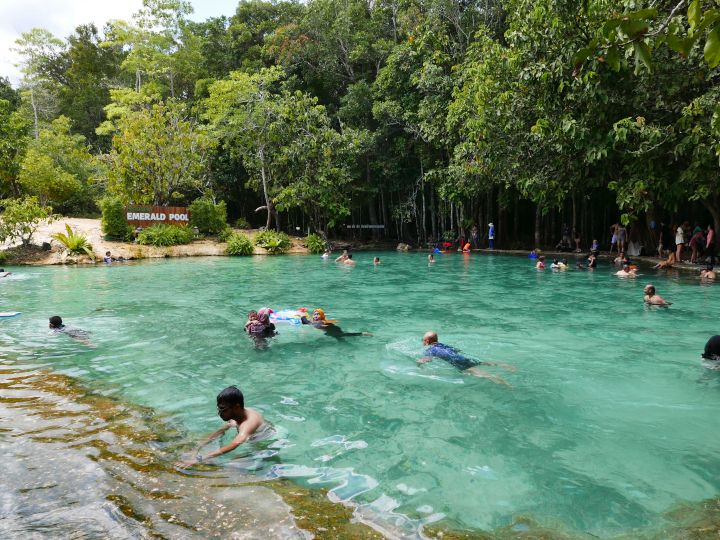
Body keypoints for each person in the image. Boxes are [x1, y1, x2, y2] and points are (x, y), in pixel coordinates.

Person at [175, 386, 271, 469]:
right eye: (218, 408)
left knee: (233, 465)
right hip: (251, 437)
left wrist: (199, 459)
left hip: (263, 443)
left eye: (223, 409)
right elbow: (220, 431)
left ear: (236, 407)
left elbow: (234, 444)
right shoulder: (236, 417)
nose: (219, 413)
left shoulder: (248, 424)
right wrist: (196, 448)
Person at [418, 332, 515, 386]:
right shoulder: (443, 345)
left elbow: (427, 359)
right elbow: (456, 350)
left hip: (457, 362)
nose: (422, 341)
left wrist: (418, 364)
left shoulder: (431, 350)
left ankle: (503, 382)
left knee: (482, 374)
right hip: (462, 357)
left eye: (423, 339)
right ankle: (502, 365)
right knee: (481, 363)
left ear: (427, 341)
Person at [301, 308, 372, 339]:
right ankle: (362, 334)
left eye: (318, 314)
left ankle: (363, 334)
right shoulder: (316, 321)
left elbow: (308, 323)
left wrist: (303, 316)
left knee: (343, 335)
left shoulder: (321, 322)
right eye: (315, 314)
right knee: (340, 339)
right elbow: (308, 322)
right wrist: (304, 314)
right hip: (330, 332)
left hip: (335, 331)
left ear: (322, 316)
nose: (316, 316)